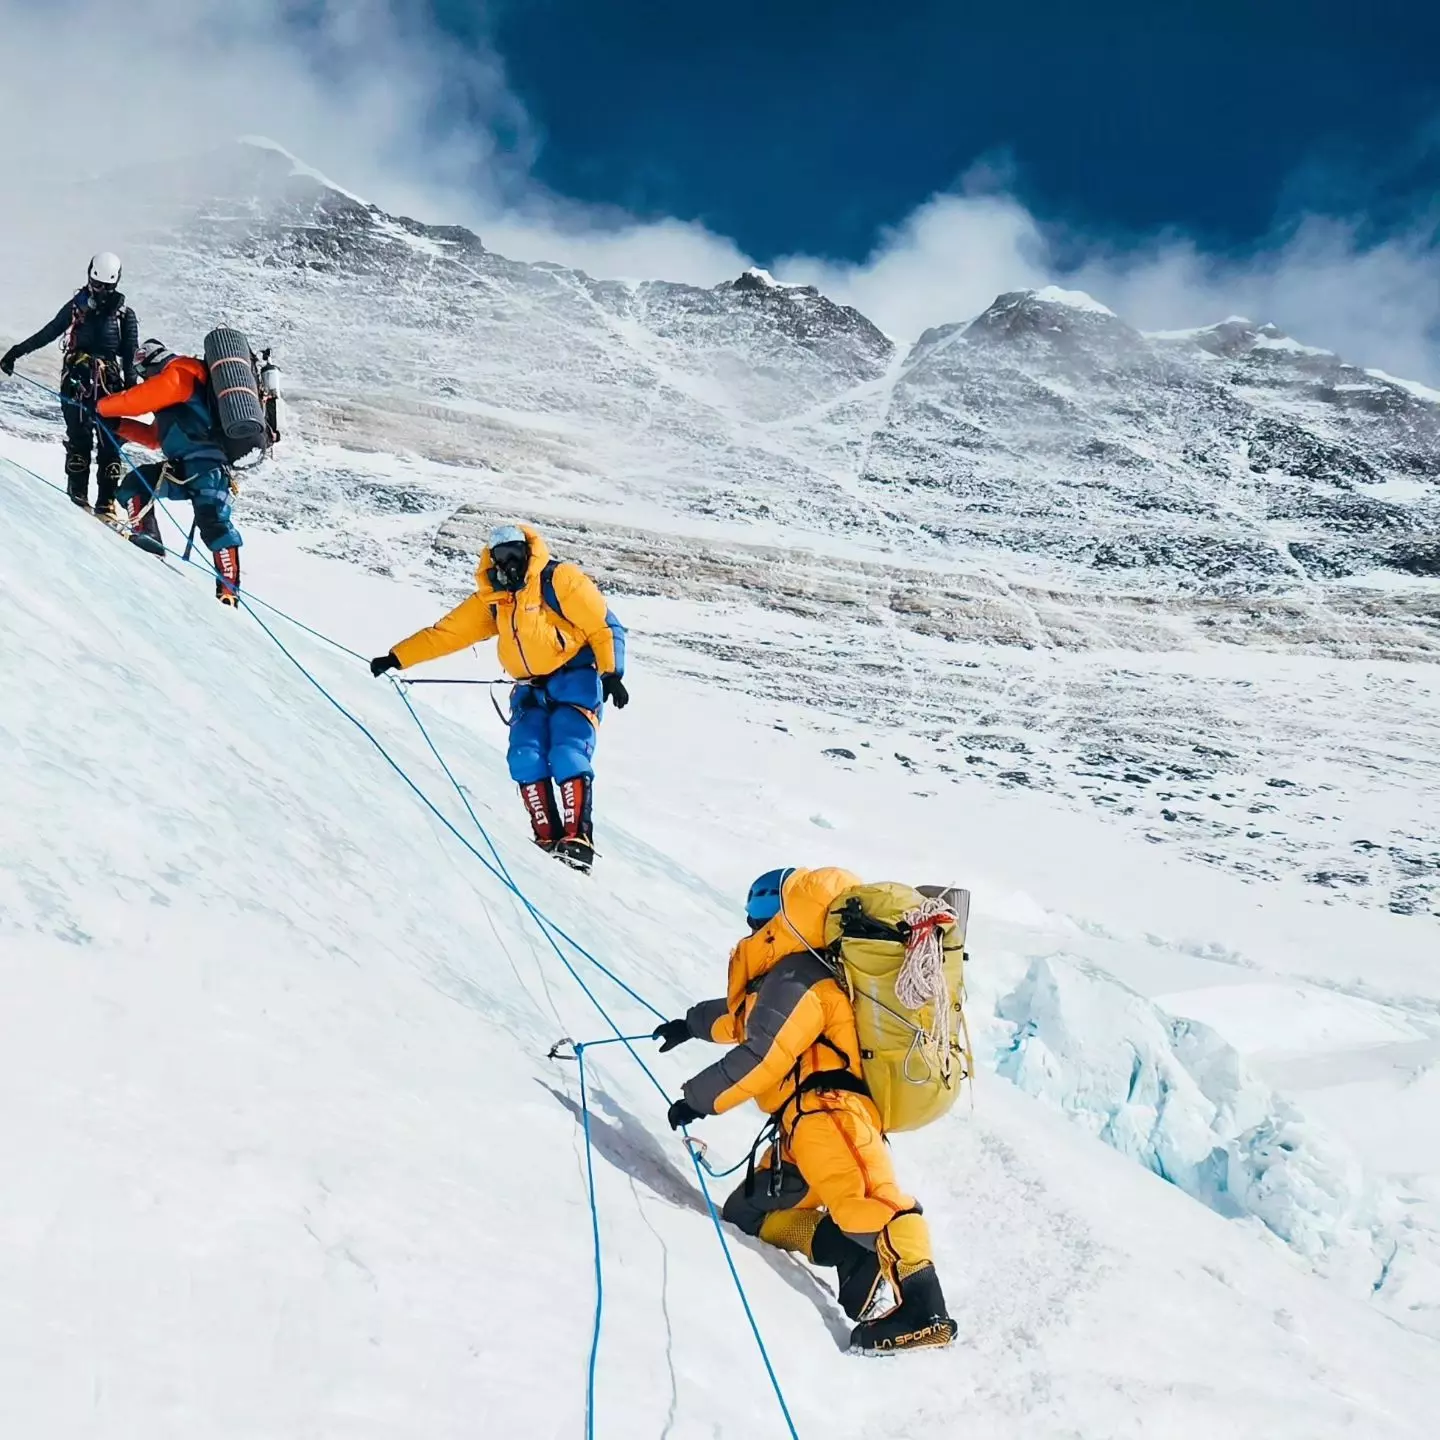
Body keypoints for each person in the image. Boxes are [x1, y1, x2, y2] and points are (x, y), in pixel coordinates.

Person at [654, 866, 958, 1354]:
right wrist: (689, 1025)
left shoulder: (802, 975)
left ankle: (925, 1307)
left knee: (870, 1202)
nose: (751, 924)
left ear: (777, 914)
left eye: (757, 912)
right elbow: (743, 1020)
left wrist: (697, 1100)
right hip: (801, 1127)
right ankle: (850, 1255)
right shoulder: (789, 976)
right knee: (746, 1213)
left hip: (831, 1114)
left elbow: (762, 1053)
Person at [370, 524, 628, 871]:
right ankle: (547, 836)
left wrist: (612, 674)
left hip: (575, 679)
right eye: (501, 557)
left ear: (528, 553)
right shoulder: (495, 598)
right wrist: (397, 657)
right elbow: (448, 634)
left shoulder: (559, 580)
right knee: (524, 756)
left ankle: (578, 839)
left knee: (568, 750)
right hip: (529, 688)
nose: (509, 564)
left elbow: (603, 625)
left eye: (514, 555)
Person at [95, 339, 243, 604]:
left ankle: (229, 592)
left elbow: (136, 401)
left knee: (213, 523)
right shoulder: (175, 393)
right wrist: (118, 425)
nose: (143, 379)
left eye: (143, 373)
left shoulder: (179, 372)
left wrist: (101, 406)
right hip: (184, 466)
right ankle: (147, 537)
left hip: (207, 467)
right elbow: (155, 437)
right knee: (135, 484)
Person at [0, 253, 139, 517]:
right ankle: (81, 499)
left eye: (105, 287)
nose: (99, 292)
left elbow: (130, 355)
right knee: (83, 441)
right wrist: (16, 352)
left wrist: (133, 389)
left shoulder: (120, 315)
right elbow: (49, 332)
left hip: (100, 383)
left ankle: (103, 504)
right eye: (96, 285)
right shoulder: (82, 308)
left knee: (108, 445)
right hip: (88, 382)